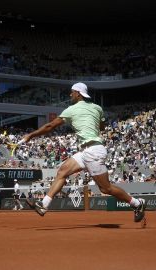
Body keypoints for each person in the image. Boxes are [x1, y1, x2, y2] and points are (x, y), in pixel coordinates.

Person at [20, 82, 146, 222]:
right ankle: (43, 205)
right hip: (87, 150)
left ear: (78, 94)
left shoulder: (71, 109)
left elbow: (50, 126)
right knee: (63, 171)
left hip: (93, 151)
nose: (70, 94)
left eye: (72, 92)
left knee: (106, 189)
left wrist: (31, 135)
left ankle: (137, 203)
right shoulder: (97, 108)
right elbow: (102, 126)